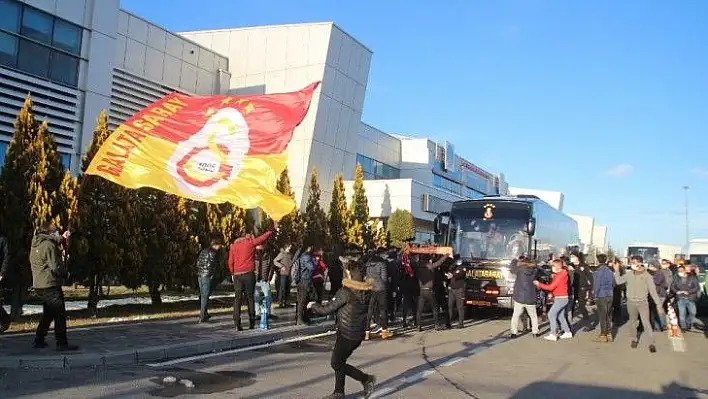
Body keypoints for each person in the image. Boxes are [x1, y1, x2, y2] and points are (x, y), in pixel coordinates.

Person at [307, 258, 377, 399]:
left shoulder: (345, 292)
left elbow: (326, 310)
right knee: (340, 361)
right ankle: (339, 393)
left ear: (349, 275)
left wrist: (313, 305)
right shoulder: (366, 292)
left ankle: (366, 379)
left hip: (346, 333)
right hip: (357, 334)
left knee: (336, 363)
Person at [30, 221, 77, 351]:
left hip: (39, 285)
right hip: (50, 283)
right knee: (59, 314)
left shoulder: (36, 243)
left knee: (48, 313)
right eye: (55, 231)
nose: (57, 232)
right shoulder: (49, 245)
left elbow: (53, 242)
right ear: (49, 233)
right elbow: (55, 267)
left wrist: (63, 238)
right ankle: (61, 343)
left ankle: (39, 339)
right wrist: (65, 273)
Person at [228, 224, 276, 331]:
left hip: (237, 275)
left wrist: (232, 272)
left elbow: (230, 262)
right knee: (250, 297)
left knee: (237, 298)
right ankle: (251, 321)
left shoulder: (233, 246)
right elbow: (263, 237)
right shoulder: (250, 243)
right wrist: (272, 229)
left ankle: (237, 323)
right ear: (246, 235)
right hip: (249, 274)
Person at [614, 255, 663, 353]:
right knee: (632, 322)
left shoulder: (647, 276)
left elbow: (652, 291)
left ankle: (651, 343)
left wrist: (659, 305)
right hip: (631, 302)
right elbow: (619, 281)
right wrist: (616, 270)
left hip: (643, 303)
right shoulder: (629, 274)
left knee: (646, 323)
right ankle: (634, 339)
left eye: (634, 262)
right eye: (632, 262)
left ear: (640, 263)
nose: (632, 264)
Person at [534, 258, 573, 341]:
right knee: (560, 315)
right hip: (561, 298)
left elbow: (551, 287)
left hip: (561, 298)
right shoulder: (561, 274)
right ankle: (567, 332)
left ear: (558, 267)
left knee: (551, 314)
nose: (552, 268)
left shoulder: (560, 275)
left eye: (553, 266)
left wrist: (539, 284)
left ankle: (553, 334)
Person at [415, 254, 450, 331]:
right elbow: (439, 262)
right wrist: (447, 255)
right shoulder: (430, 266)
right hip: (430, 291)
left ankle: (418, 326)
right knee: (435, 308)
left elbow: (413, 262)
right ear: (428, 260)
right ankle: (436, 325)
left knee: (419, 310)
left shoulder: (418, 266)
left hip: (422, 291)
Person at [194, 236, 223, 323]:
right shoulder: (213, 253)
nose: (219, 248)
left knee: (202, 295)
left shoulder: (203, 251)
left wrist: (199, 272)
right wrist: (212, 275)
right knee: (205, 296)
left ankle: (205, 313)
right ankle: (202, 316)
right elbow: (212, 266)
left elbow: (198, 263)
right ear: (216, 245)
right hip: (207, 276)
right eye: (219, 246)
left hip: (200, 275)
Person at [509, 258, 539, 338]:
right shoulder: (535, 270)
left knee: (515, 315)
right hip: (531, 297)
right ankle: (535, 332)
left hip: (519, 297)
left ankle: (514, 333)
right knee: (533, 316)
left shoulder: (519, 270)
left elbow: (512, 268)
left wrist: (515, 260)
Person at [365, 247, 390, 340]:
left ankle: (366, 333)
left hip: (372, 288)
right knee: (382, 310)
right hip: (381, 288)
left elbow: (367, 276)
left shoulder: (368, 263)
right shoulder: (381, 263)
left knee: (370, 310)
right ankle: (384, 332)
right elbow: (384, 277)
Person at [592, 254, 615, 342]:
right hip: (610, 294)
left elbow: (596, 285)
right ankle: (609, 334)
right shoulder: (610, 271)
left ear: (598, 261)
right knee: (608, 315)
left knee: (602, 316)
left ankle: (603, 335)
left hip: (601, 295)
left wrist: (595, 295)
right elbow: (613, 283)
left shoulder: (598, 272)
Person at [671, 265, 700, 332]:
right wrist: (677, 291)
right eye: (679, 271)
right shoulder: (676, 278)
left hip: (690, 298)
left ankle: (688, 323)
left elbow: (696, 287)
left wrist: (689, 292)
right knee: (682, 313)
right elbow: (672, 287)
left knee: (693, 312)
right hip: (680, 298)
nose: (680, 272)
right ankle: (683, 327)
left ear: (685, 271)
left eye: (681, 271)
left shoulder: (692, 278)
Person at [570, 252, 594, 331]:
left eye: (573, 256)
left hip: (582, 289)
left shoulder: (584, 266)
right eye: (571, 256)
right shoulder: (571, 266)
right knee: (571, 307)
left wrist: (591, 291)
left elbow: (590, 278)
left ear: (578, 257)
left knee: (581, 307)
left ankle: (588, 324)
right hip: (573, 289)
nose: (572, 257)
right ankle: (568, 325)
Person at [293, 246, 316, 325]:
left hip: (303, 280)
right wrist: (315, 261)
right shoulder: (306, 256)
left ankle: (304, 318)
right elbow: (312, 267)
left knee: (305, 299)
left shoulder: (303, 255)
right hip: (304, 280)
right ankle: (300, 319)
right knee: (302, 300)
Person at [446, 257, 469, 329]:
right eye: (456, 260)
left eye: (458, 260)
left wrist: (453, 275)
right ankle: (448, 323)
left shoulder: (463, 267)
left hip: (460, 290)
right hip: (452, 290)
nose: (457, 261)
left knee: (460, 307)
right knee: (449, 306)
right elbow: (449, 273)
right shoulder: (453, 266)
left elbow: (461, 274)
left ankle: (461, 323)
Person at [0, 234, 11, 333]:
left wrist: (2, 272)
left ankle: (5, 319)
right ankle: (4, 319)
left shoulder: (2, 239)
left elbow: (6, 256)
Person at [611, 258, 626, 322]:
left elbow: (623, 280)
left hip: (617, 288)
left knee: (617, 305)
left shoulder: (621, 270)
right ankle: (613, 317)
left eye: (614, 262)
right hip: (611, 289)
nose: (612, 263)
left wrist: (622, 288)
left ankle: (618, 319)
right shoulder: (610, 269)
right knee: (612, 304)